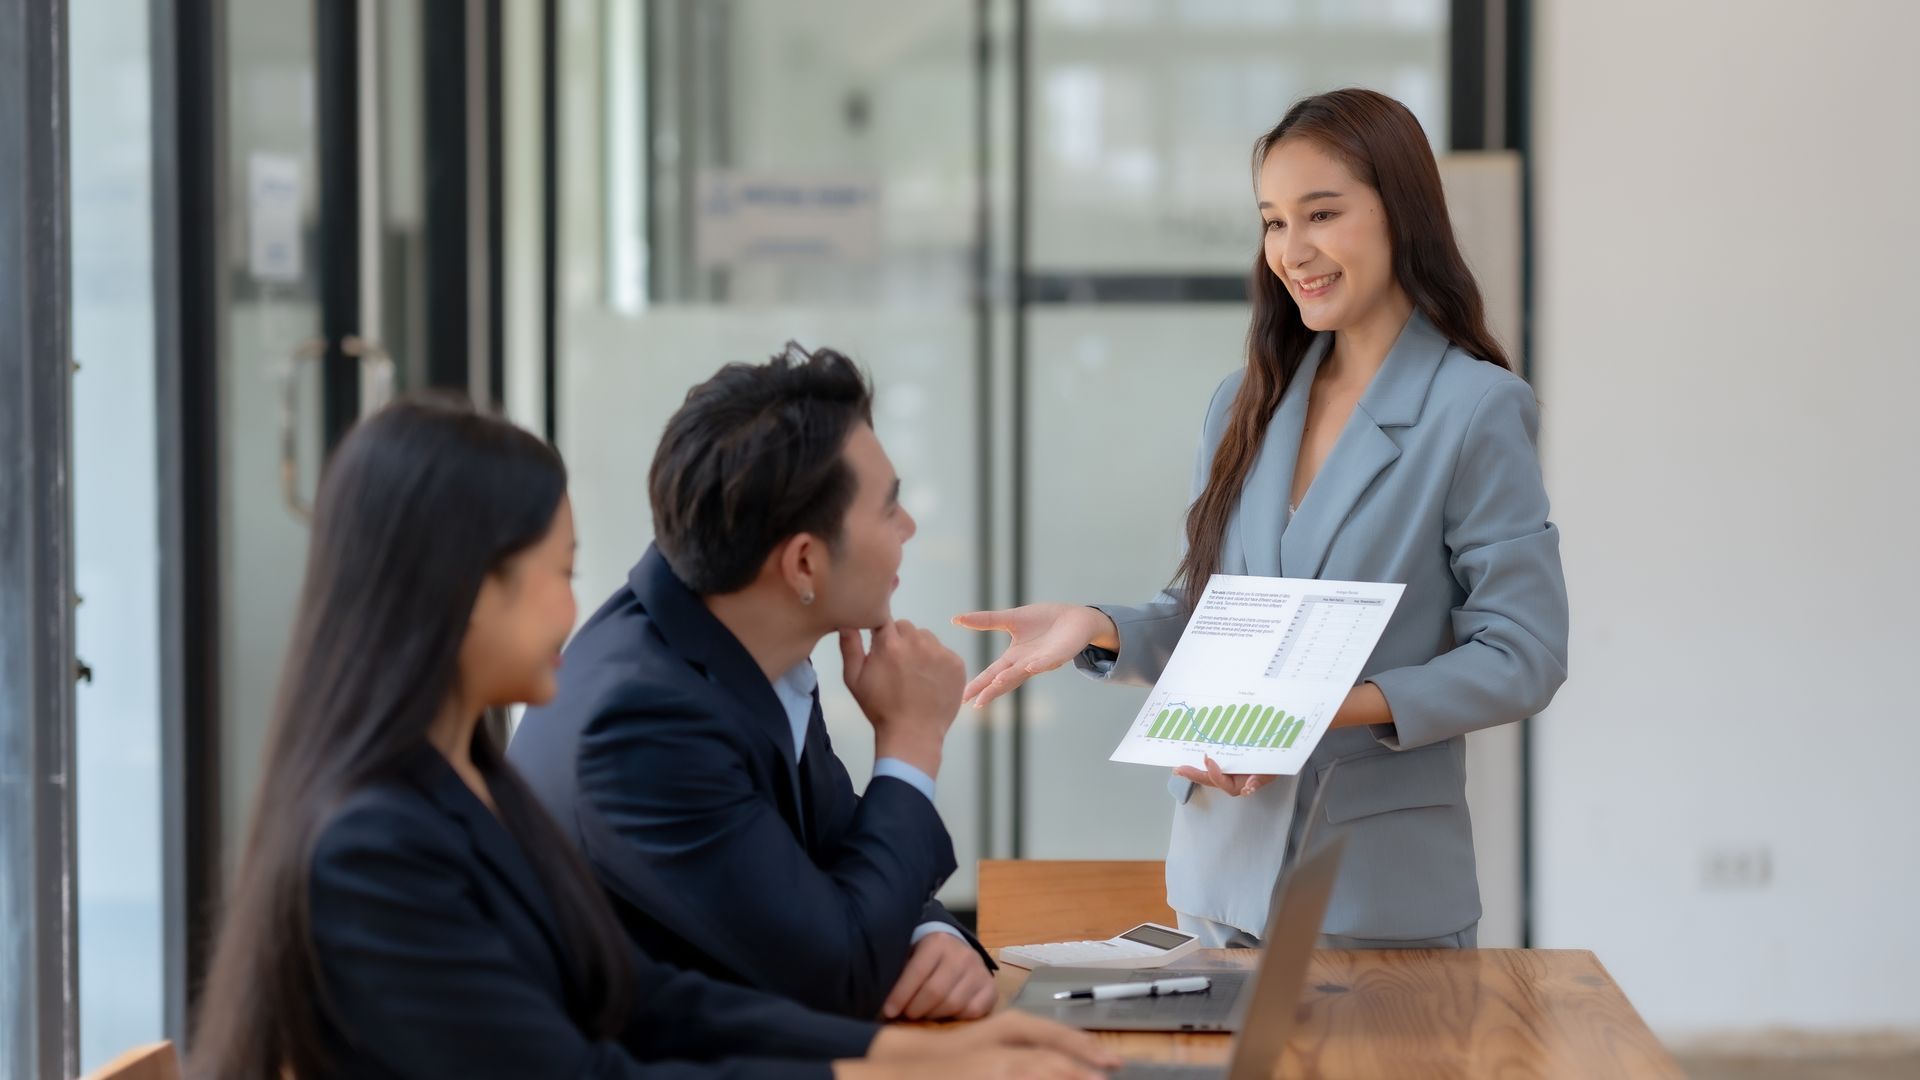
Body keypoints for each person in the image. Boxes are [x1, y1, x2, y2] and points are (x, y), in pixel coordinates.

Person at [187, 397, 1114, 1079]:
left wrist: (900, 1053)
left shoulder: (463, 774)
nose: (574, 609)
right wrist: (889, 1073)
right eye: (559, 573)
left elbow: (643, 998)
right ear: (465, 593)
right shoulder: (370, 851)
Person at [957, 88, 1569, 949]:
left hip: (1373, 893)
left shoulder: (1475, 410)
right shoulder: (1245, 404)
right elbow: (1215, 624)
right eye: (1274, 222)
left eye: (1322, 213)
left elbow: (1524, 656)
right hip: (1216, 879)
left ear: (1403, 214)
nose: (1293, 250)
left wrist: (1317, 709)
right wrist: (1096, 627)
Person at [511, 345, 997, 1021]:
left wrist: (933, 935)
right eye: (889, 510)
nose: (910, 528)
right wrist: (913, 739)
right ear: (803, 564)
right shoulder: (642, 725)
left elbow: (835, 870)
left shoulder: (735, 639)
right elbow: (840, 970)